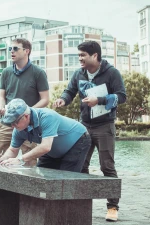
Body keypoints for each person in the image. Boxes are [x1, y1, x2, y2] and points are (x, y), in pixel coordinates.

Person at [53, 41, 126, 222]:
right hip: (83, 126)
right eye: (79, 55)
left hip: (104, 126)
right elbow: (70, 91)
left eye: (83, 55)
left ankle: (112, 207)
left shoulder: (112, 73)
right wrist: (63, 99)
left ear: (95, 56)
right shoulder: (79, 73)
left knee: (107, 167)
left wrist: (99, 100)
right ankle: (82, 203)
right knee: (80, 165)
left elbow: (122, 96)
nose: (80, 59)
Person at [0, 98, 91, 173]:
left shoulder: (47, 116)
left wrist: (20, 160)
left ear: (26, 116)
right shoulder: (18, 129)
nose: (12, 126)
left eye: (15, 122)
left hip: (78, 140)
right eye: (10, 123)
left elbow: (45, 147)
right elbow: (12, 150)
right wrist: (2, 160)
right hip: (53, 148)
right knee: (41, 177)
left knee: (67, 179)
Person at [0, 38, 49, 166]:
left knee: (29, 161)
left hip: (28, 124)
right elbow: (1, 96)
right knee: (0, 159)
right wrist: (1, 106)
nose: (11, 52)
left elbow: (45, 100)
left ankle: (30, 185)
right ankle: (0, 185)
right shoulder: (6, 72)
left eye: (15, 48)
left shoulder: (38, 73)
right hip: (7, 122)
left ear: (26, 51)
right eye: (10, 49)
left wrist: (27, 113)